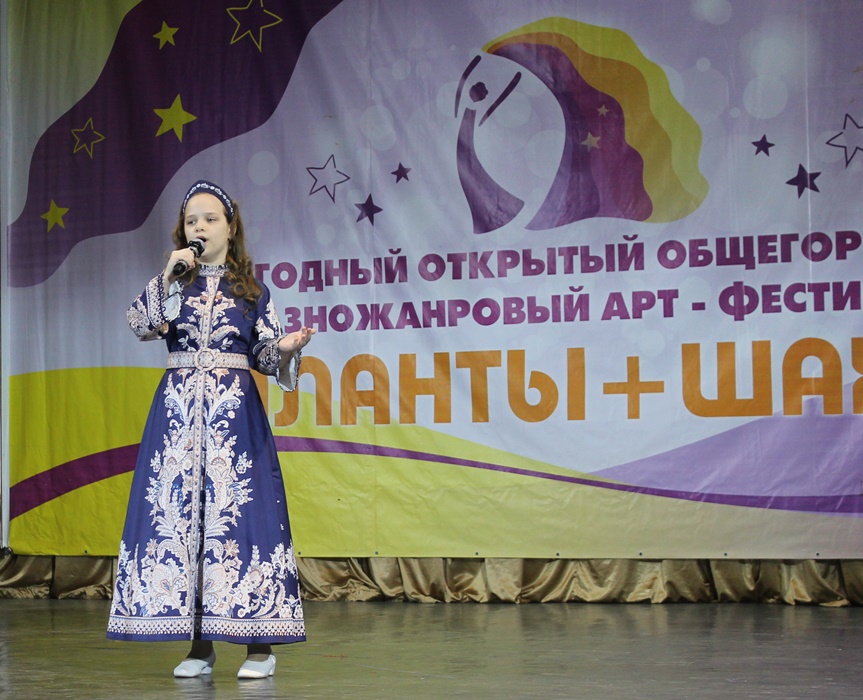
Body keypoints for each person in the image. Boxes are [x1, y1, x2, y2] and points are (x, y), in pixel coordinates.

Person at [107, 180, 315, 680]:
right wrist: (169, 276)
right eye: (191, 221)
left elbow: (264, 356)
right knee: (184, 521)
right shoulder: (174, 284)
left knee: (242, 518)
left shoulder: (253, 291)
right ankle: (200, 648)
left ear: (230, 227)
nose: (199, 227)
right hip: (177, 420)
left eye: (210, 219)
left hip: (234, 421)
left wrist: (286, 349)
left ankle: (260, 648)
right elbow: (140, 323)